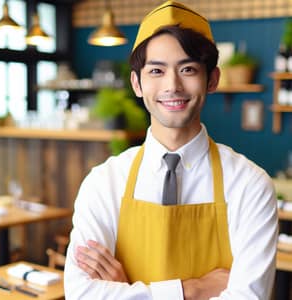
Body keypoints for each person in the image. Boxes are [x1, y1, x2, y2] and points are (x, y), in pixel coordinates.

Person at [64, 1, 278, 299]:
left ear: (212, 79)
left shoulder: (250, 185)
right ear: (137, 83)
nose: (172, 85)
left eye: (188, 69)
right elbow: (82, 293)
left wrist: (127, 291)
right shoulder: (104, 183)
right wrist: (192, 289)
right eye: (156, 71)